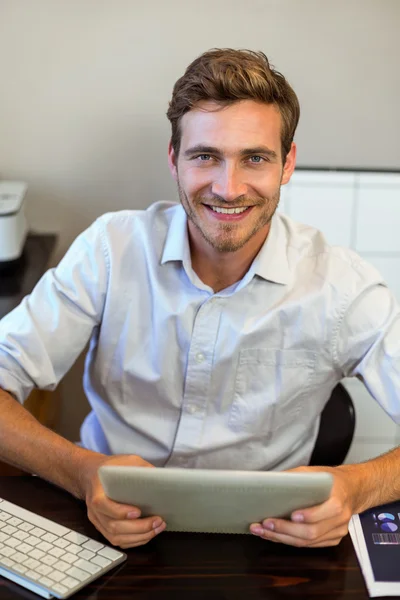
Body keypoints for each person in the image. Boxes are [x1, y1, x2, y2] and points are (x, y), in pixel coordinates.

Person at [1, 48, 400, 551]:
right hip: (103, 521)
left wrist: (360, 486)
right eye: (205, 156)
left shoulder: (342, 283)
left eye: (254, 158)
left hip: (271, 543)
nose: (228, 188)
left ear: (287, 163)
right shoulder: (111, 248)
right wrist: (82, 472)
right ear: (174, 159)